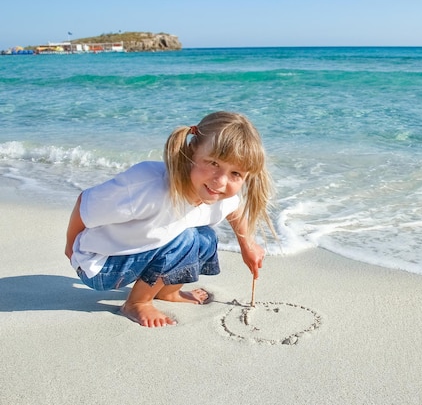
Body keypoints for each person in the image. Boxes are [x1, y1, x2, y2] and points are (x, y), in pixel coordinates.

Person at [65, 111, 275, 327]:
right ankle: (137, 303)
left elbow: (235, 210)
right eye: (213, 163)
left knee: (206, 237)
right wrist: (70, 246)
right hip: (102, 265)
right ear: (192, 150)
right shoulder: (148, 185)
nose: (221, 181)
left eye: (235, 174)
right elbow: (86, 205)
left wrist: (247, 245)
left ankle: (166, 292)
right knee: (188, 238)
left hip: (140, 253)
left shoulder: (217, 194)